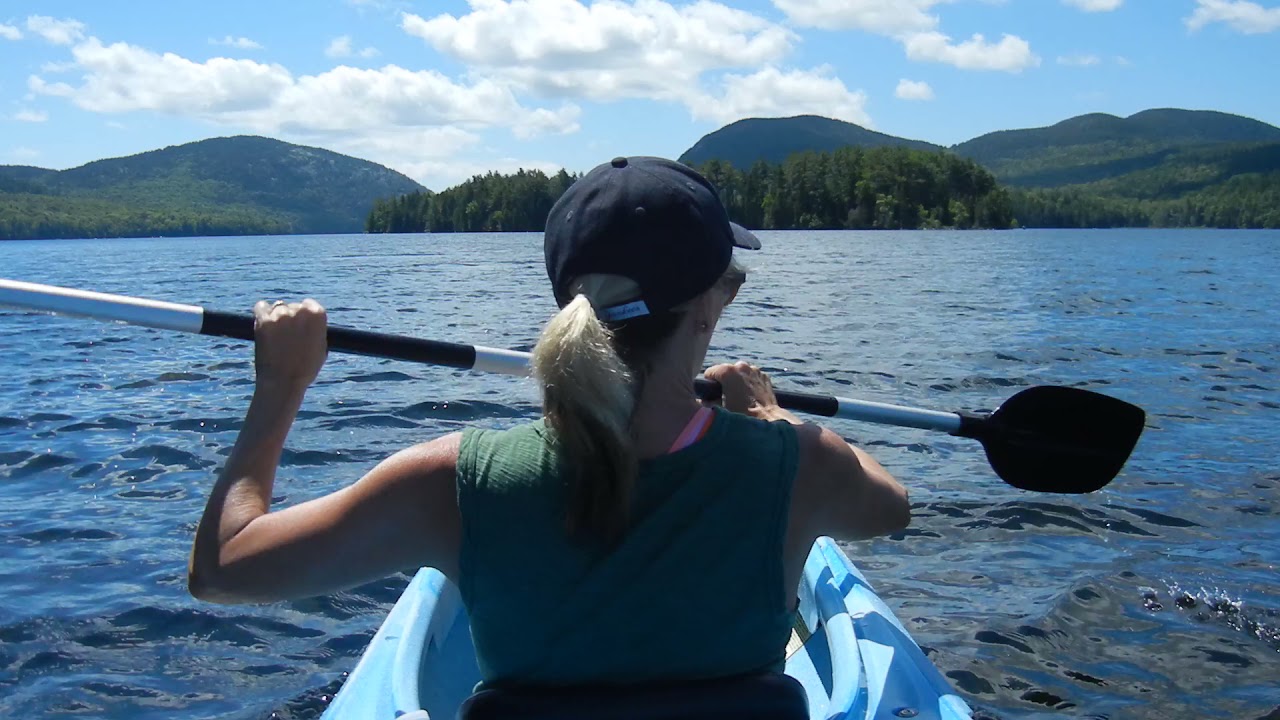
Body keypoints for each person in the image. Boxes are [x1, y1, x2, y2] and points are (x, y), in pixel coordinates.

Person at [188, 156, 910, 690]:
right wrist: (769, 413)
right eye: (732, 279)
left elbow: (223, 570)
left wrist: (281, 384)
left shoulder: (448, 482)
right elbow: (891, 509)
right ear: (708, 304)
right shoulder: (801, 464)